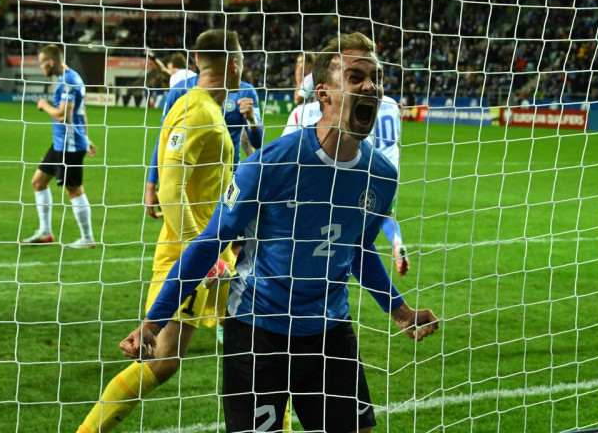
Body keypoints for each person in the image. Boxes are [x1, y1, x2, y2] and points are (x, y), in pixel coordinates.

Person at [121, 32, 439, 432]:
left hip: (330, 333)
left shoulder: (382, 176)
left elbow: (357, 248)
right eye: (356, 76)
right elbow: (209, 243)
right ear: (323, 93)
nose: (371, 87)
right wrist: (153, 322)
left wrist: (400, 310)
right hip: (258, 333)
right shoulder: (272, 164)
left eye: (375, 78)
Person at [77, 29, 244, 433]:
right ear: (235, 64)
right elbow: (171, 188)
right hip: (195, 255)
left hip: (216, 254)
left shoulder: (204, 107)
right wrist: (199, 251)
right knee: (162, 361)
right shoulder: (197, 111)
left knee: (258, 347)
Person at [282, 96, 410, 276]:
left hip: (363, 163)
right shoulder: (391, 104)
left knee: (341, 227)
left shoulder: (348, 105)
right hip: (389, 170)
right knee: (382, 217)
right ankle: (397, 241)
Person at [144, 76, 264, 219]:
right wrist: (151, 184)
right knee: (187, 237)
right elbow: (164, 138)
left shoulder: (245, 91)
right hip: (188, 185)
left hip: (228, 183)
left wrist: (252, 120)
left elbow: (258, 142)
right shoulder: (180, 90)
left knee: (230, 236)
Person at [22, 44, 96, 248]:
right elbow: (83, 113)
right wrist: (87, 138)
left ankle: (87, 237)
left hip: (69, 146)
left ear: (51, 61)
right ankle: (45, 232)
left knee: (74, 190)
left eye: (42, 63)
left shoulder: (68, 81)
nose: (41, 67)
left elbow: (65, 115)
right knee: (38, 182)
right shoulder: (73, 77)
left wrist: (43, 104)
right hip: (61, 143)